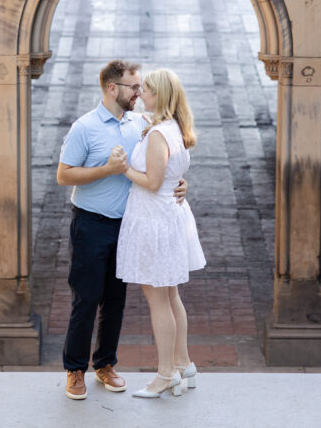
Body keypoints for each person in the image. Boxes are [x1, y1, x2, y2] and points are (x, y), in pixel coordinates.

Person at [57, 60, 187, 401]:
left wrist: (179, 182)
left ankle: (105, 364)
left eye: (141, 86)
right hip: (91, 223)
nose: (138, 92)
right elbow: (64, 175)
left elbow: (160, 162)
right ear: (112, 88)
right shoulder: (84, 128)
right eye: (133, 86)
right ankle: (74, 370)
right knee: (86, 298)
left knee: (116, 300)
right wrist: (107, 169)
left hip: (129, 225)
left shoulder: (141, 123)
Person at [116, 68, 206, 399]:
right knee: (170, 296)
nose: (141, 94)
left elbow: (153, 183)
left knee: (158, 300)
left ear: (161, 96)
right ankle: (184, 365)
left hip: (154, 219)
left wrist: (124, 168)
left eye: (147, 90)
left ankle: (165, 374)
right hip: (169, 217)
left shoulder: (157, 134)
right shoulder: (173, 128)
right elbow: (169, 176)